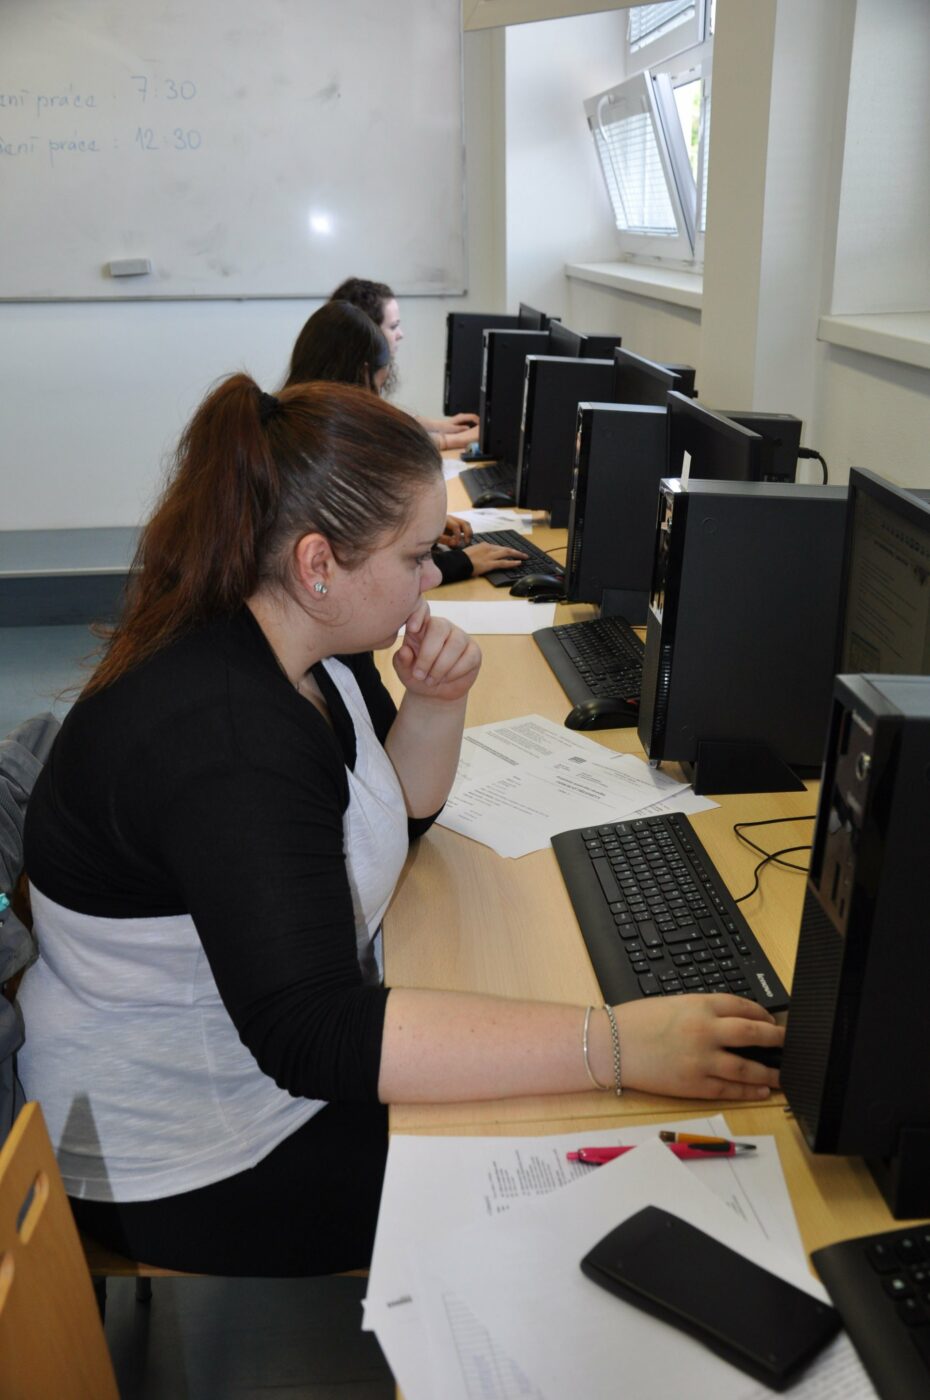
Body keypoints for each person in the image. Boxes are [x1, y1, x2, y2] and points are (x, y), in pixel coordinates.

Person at [18, 378, 783, 1278]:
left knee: (597, 1120)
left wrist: (435, 703)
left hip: (251, 1070)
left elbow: (392, 818)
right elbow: (313, 1036)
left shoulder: (309, 648)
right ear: (317, 564)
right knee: (608, 1175)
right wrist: (614, 1042)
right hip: (192, 1149)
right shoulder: (226, 737)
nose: (432, 576)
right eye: (417, 555)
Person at [284, 301, 526, 585]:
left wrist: (423, 531)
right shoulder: (331, 450)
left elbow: (367, 532)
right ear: (362, 374)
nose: (375, 401)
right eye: (378, 386)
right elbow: (368, 565)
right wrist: (463, 562)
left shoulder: (297, 428)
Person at [330, 276, 479, 451]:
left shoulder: (344, 372)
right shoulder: (340, 398)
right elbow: (387, 441)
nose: (400, 334)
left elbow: (386, 418)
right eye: (393, 326)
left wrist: (440, 426)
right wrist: (455, 440)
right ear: (368, 333)